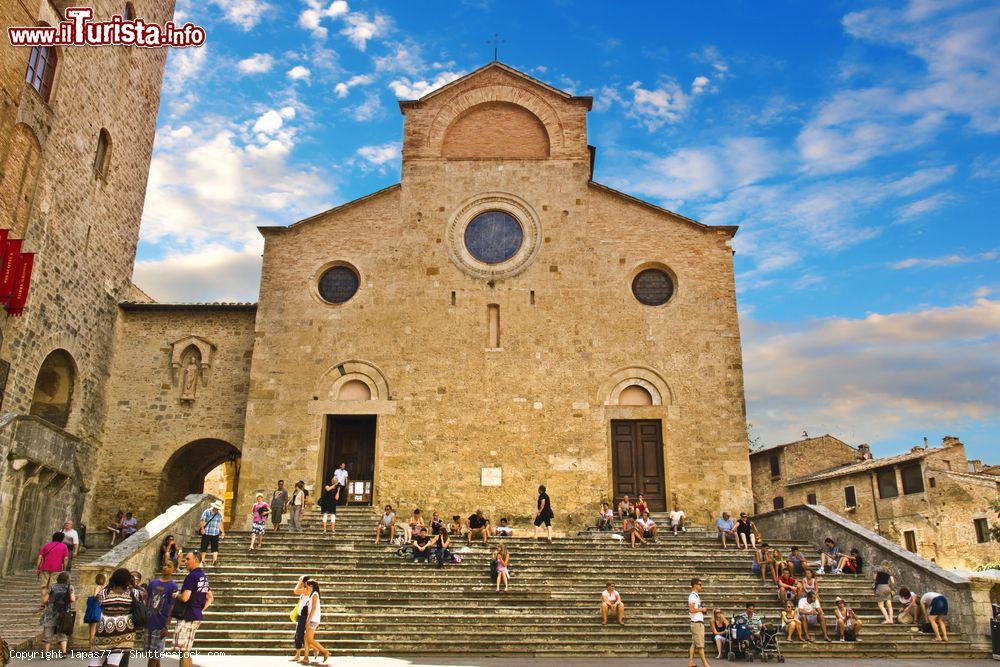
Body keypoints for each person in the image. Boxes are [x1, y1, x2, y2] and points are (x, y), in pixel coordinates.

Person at [87, 567, 138, 667]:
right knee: (114, 662)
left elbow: (98, 601)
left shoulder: (104, 593)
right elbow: (140, 602)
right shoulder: (133, 593)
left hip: (104, 632)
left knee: (95, 662)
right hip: (124, 633)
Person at [175, 550, 213, 667]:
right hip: (196, 615)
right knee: (187, 650)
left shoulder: (192, 576)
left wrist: (175, 595)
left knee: (184, 651)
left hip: (187, 616)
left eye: (187, 559)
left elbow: (185, 597)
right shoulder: (203, 576)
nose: (185, 562)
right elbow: (210, 597)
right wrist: (200, 610)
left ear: (195, 560)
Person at [145, 561, 179, 667]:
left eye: (169, 566)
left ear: (174, 569)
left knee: (154, 656)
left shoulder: (173, 586)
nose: (165, 567)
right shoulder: (153, 583)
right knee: (153, 654)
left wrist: (166, 625)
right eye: (164, 565)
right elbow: (147, 601)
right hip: (149, 622)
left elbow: (171, 607)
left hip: (160, 624)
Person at [40, 570, 74, 657]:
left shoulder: (52, 587)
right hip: (63, 612)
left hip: (51, 612)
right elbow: (72, 599)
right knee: (62, 631)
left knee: (48, 632)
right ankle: (63, 653)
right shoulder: (70, 587)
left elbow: (44, 600)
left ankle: (46, 653)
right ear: (67, 579)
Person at [35, 532, 69, 603]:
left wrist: (38, 568)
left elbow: (40, 557)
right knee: (53, 586)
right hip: (57, 568)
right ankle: (50, 601)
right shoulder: (64, 546)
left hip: (45, 568)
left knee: (44, 586)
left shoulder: (47, 545)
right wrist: (64, 569)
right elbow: (65, 559)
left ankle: (42, 603)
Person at [302, 579, 330, 662]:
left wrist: (308, 620)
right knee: (306, 638)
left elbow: (313, 608)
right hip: (312, 618)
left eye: (307, 586)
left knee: (310, 639)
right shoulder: (313, 594)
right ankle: (306, 658)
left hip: (313, 619)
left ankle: (325, 651)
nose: (306, 587)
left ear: (311, 586)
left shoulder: (314, 594)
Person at [687, 577, 710, 667]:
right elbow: (692, 610)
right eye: (700, 584)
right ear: (695, 585)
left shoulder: (696, 596)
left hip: (697, 622)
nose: (701, 586)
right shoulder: (693, 596)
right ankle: (705, 664)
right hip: (697, 623)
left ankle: (691, 662)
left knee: (694, 644)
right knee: (700, 645)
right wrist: (702, 609)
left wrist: (701, 610)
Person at [198, 500, 226, 566]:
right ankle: (202, 561)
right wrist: (202, 528)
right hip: (206, 532)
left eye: (218, 508)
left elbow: (220, 523)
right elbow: (202, 520)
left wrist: (222, 532)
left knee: (215, 547)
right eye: (216, 507)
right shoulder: (207, 511)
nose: (217, 509)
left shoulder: (219, 514)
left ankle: (214, 561)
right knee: (204, 547)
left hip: (215, 533)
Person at [84, 572, 106, 650]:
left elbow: (95, 595)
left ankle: (90, 649)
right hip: (102, 611)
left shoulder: (97, 587)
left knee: (92, 633)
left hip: (94, 611)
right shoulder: (105, 588)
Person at [292, 576, 311, 663]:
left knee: (299, 635)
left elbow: (295, 591)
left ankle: (316, 648)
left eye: (301, 581)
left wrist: (299, 582)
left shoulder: (307, 590)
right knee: (297, 635)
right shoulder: (304, 590)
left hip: (304, 616)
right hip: (300, 615)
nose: (300, 583)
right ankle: (298, 655)